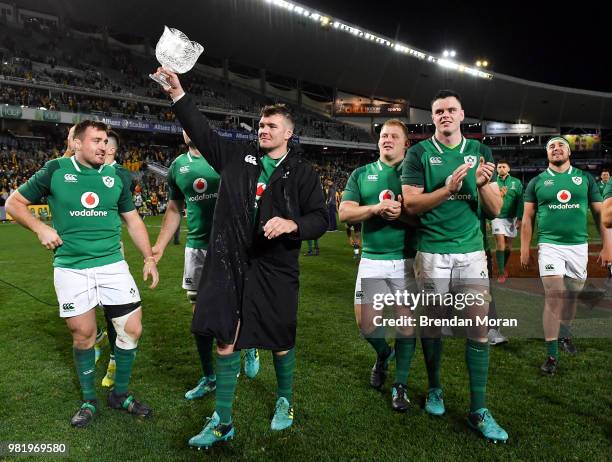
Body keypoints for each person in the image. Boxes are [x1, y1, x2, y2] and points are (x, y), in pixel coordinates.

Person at [154, 67, 327, 449]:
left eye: (271, 125)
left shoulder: (302, 172)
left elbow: (322, 217)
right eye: (261, 124)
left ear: (288, 133)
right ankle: (223, 421)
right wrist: (178, 94)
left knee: (280, 338)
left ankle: (285, 399)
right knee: (224, 339)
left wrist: (291, 224)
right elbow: (200, 130)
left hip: (275, 266)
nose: (263, 129)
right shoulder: (234, 156)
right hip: (228, 262)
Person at [6, 120, 159, 428]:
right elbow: (14, 203)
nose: (103, 146)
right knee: (84, 335)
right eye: (96, 140)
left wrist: (148, 257)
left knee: (132, 329)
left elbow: (133, 220)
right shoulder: (55, 170)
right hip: (71, 267)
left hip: (112, 264)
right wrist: (40, 228)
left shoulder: (116, 176)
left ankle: (120, 394)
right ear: (76, 143)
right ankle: (89, 400)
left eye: (106, 141)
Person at [401, 90, 507, 442]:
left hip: (472, 251)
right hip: (431, 250)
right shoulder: (418, 153)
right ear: (432, 117)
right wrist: (449, 188)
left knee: (477, 329)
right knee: (432, 327)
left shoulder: (480, 151)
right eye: (438, 111)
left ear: (462, 115)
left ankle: (478, 409)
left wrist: (480, 184)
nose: (445, 115)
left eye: (451, 110)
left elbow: (493, 209)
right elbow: (412, 206)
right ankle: (434, 388)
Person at [152, 130, 260, 401]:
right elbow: (175, 208)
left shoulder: (226, 156)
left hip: (233, 242)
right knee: (199, 316)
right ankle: (209, 376)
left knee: (238, 306)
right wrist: (160, 245)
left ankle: (247, 346)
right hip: (198, 248)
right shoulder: (178, 166)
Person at [339, 118, 417, 412]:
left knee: (406, 326)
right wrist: (375, 209)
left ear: (405, 143)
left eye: (395, 136)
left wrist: (400, 215)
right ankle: (384, 354)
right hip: (372, 259)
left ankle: (401, 385)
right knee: (366, 324)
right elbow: (344, 213)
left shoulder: (414, 175)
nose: (388, 140)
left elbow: (424, 217)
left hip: (406, 260)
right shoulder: (362, 174)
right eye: (384, 135)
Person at [520, 136, 611, 374]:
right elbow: (527, 218)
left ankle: (565, 334)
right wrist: (524, 247)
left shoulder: (585, 179)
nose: (556, 148)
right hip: (550, 246)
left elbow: (602, 216)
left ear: (569, 152)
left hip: (578, 247)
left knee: (572, 294)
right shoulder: (537, 182)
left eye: (561, 145)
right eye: (551, 146)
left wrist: (607, 245)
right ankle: (551, 356)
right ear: (547, 153)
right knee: (555, 296)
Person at [491, 160, 523, 283]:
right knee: (500, 243)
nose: (501, 168)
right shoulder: (492, 182)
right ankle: (500, 272)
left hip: (512, 218)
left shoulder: (517, 182)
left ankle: (502, 265)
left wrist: (520, 218)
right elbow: (488, 199)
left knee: (509, 246)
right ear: (496, 169)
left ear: (508, 169)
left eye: (504, 166)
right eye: (499, 167)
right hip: (497, 217)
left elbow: (520, 201)